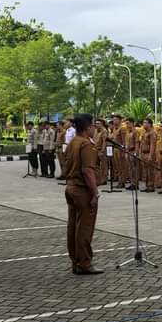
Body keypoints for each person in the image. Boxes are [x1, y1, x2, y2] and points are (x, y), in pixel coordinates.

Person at [64, 113, 103, 275]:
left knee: (73, 226)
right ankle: (84, 263)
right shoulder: (86, 144)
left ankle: (75, 261)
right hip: (82, 190)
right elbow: (87, 171)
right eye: (93, 126)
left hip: (71, 187)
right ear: (88, 127)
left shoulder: (73, 142)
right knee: (84, 229)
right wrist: (94, 193)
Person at [140, 119, 157, 192]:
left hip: (149, 153)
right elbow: (141, 144)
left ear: (150, 124)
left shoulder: (152, 133)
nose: (144, 124)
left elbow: (152, 145)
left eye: (145, 123)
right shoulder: (144, 133)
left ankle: (151, 186)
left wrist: (150, 155)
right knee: (145, 170)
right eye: (143, 122)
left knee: (150, 170)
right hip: (144, 153)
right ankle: (147, 185)